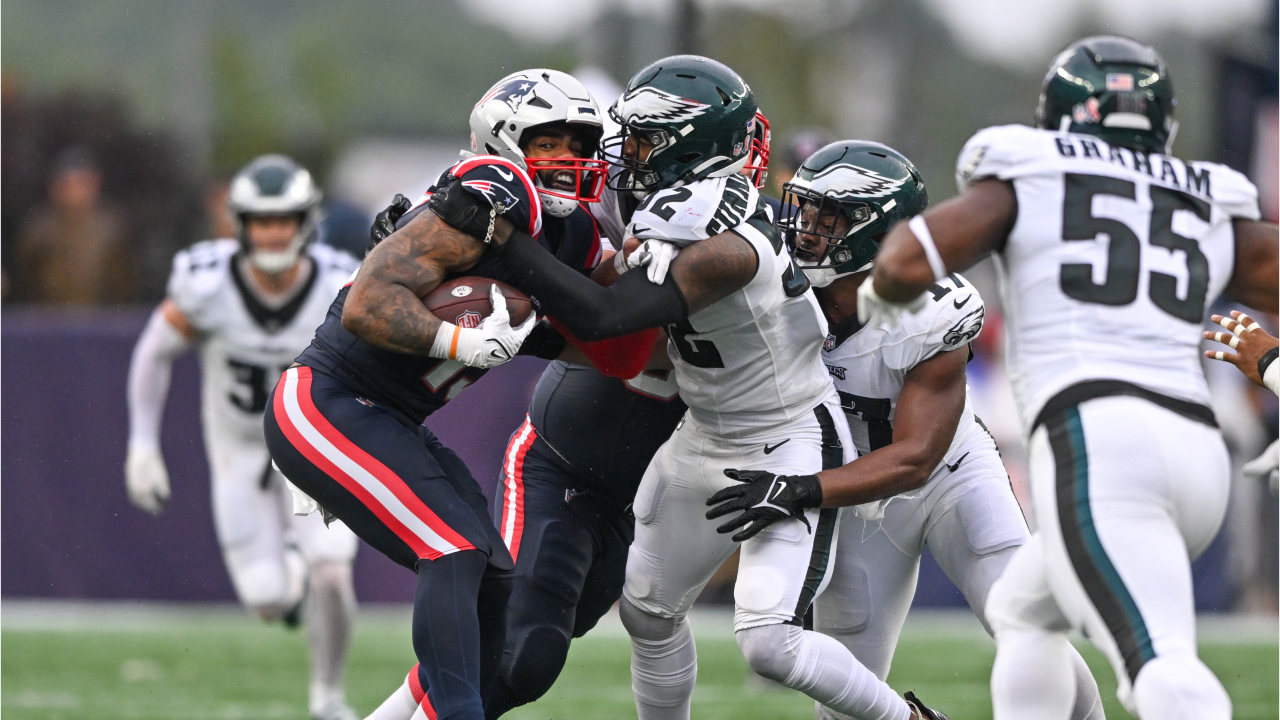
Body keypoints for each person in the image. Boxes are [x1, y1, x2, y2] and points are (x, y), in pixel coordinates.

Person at [436, 54, 946, 720]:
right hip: (702, 435)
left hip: (787, 438)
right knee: (647, 613)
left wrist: (499, 235)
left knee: (769, 644)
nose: (628, 157)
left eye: (645, 140)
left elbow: (604, 319)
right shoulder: (687, 208)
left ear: (686, 149)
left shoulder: (724, 242)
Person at [856, 36, 1280, 719]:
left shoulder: (1029, 171)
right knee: (1024, 610)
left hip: (1102, 438)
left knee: (1158, 660)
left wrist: (883, 289)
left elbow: (906, 263)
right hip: (1198, 453)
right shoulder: (1204, 197)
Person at [704, 140, 1104, 720]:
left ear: (881, 231)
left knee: (1025, 626)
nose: (807, 228)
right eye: (806, 210)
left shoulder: (933, 309)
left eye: (830, 217)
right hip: (854, 494)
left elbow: (916, 457)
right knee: (846, 703)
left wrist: (802, 489)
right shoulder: (771, 282)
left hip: (947, 478)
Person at [265, 69, 615, 720]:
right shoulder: (497, 192)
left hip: (390, 419)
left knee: (493, 583)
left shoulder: (572, 232)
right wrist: (461, 345)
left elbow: (596, 327)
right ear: (506, 142)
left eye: (580, 140)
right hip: (328, 403)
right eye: (548, 142)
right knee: (449, 547)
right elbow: (366, 308)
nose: (569, 157)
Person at [125, 154, 363, 720]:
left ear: (305, 221)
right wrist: (141, 443)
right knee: (267, 598)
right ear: (240, 223)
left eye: (283, 218)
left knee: (332, 570)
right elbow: (153, 353)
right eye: (260, 220)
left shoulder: (339, 280)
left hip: (313, 446)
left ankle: (328, 698)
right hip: (239, 447)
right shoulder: (206, 283)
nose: (273, 231)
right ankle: (290, 570)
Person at [13, 147, 134, 304]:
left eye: (82, 183)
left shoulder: (113, 229)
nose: (75, 191)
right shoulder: (37, 230)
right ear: (55, 188)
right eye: (68, 184)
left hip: (102, 321)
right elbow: (26, 281)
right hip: (47, 321)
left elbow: (124, 285)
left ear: (95, 184)